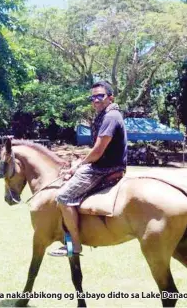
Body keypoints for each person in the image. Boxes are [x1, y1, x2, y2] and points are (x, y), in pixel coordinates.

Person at [48, 81, 127, 257]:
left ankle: (75, 245)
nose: (96, 100)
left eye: (100, 96)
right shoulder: (105, 116)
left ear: (110, 97)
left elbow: (98, 151)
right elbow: (96, 149)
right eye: (93, 97)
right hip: (101, 164)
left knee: (63, 196)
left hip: (104, 169)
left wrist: (78, 165)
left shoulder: (111, 117)